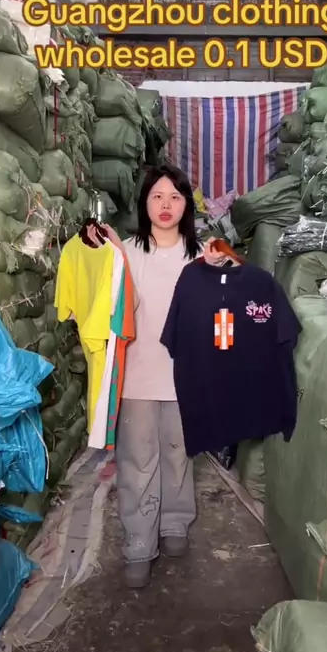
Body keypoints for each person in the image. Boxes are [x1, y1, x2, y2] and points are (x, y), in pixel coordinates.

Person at [103, 164, 226, 588]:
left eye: (175, 196)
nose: (166, 205)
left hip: (186, 376)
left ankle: (175, 521)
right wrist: (105, 252)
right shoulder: (128, 252)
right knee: (138, 461)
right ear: (144, 203)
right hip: (138, 374)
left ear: (187, 204)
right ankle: (139, 541)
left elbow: (221, 316)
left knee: (178, 452)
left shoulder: (202, 254)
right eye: (156, 196)